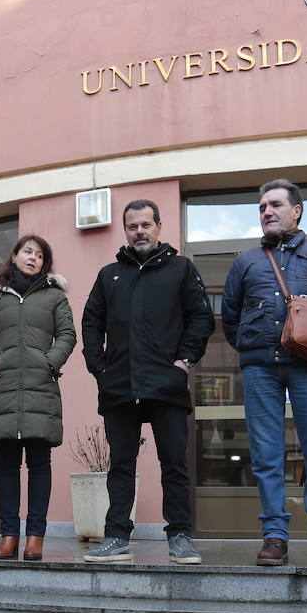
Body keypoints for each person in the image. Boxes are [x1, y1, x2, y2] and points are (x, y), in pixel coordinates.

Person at [222, 179, 307, 568]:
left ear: (297, 210)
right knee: (265, 456)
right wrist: (254, 347)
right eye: (262, 207)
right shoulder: (246, 261)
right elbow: (229, 317)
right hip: (261, 368)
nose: (267, 212)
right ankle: (275, 536)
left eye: (275, 205)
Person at [81, 198, 215, 564]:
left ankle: (180, 537)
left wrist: (184, 362)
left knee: (175, 463)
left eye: (145, 225)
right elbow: (90, 322)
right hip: (119, 385)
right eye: (132, 226)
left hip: (167, 385)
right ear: (125, 231)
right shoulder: (110, 275)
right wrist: (99, 367)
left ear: (159, 226)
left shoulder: (182, 269)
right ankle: (116, 536)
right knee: (120, 465)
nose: (139, 231)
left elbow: (202, 318)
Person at [0, 234, 77, 561]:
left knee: (40, 465)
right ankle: (9, 535)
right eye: (27, 251)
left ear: (45, 263)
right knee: (8, 467)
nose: (33, 258)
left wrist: (49, 361)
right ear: (14, 256)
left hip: (41, 388)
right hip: (6, 391)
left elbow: (68, 334)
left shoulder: (55, 297)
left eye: (40, 255)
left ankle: (36, 537)